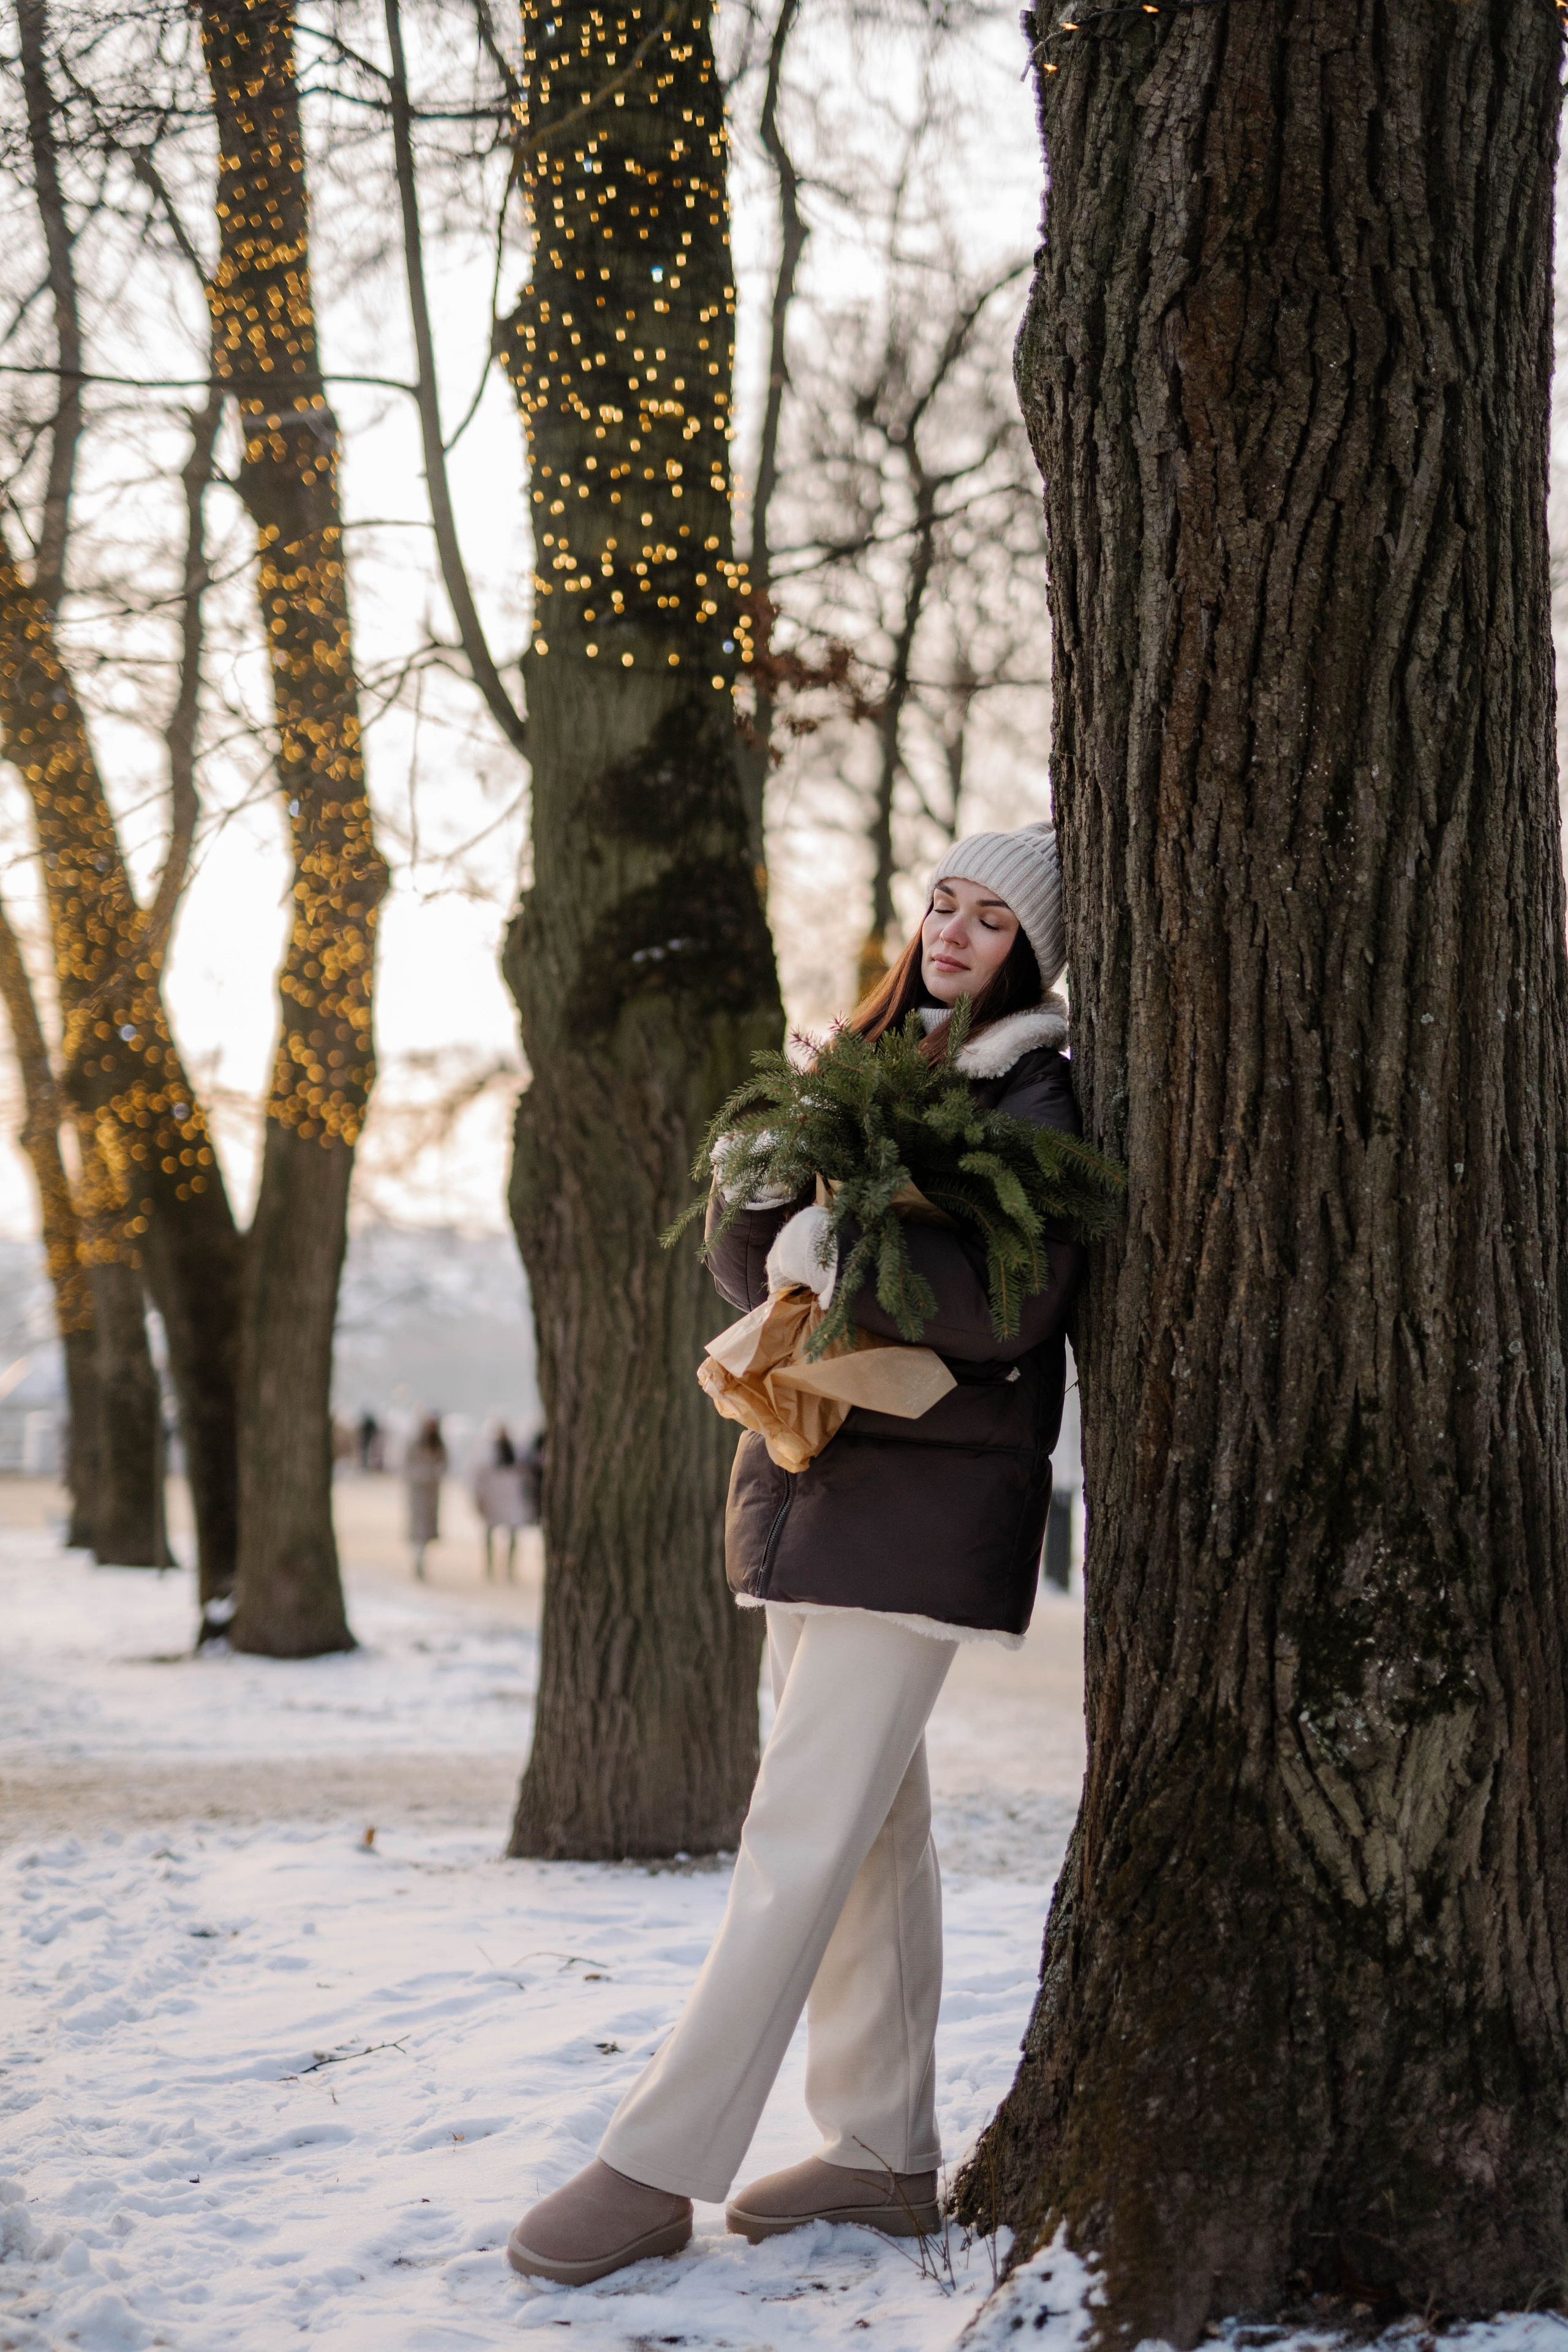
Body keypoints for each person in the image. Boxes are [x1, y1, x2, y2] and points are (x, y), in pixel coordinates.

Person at [507, 821, 1085, 2286]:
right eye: (941, 906)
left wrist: (852, 1246)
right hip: (817, 1470)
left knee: (794, 1832)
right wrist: (766, 1176)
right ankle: (880, 2144)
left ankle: (652, 2162)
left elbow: (1008, 1298)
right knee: (871, 1826)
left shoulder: (1032, 1087)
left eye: (990, 921)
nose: (953, 934)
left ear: (1032, 950)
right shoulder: (863, 1067)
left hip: (927, 1502)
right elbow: (741, 1265)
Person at [403, 1412, 448, 1581]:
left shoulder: (438, 1444)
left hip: (431, 1494)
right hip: (419, 1493)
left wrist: (434, 1474)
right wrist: (422, 1475)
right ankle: (418, 1560)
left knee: (427, 1532)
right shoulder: (415, 1444)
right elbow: (407, 1467)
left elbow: (444, 1464)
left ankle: (422, 1559)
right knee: (419, 1530)